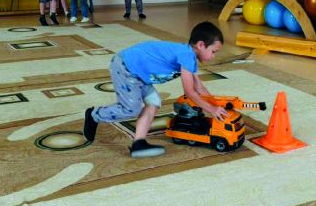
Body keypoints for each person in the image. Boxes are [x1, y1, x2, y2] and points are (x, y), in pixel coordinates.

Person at [82, 21, 227, 158]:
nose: (213, 56)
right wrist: (211, 109)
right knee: (131, 109)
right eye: (213, 51)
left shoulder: (189, 57)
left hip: (141, 73)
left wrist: (217, 106)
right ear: (201, 45)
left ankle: (138, 143)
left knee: (154, 102)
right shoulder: (186, 55)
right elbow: (190, 92)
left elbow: (199, 87)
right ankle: (94, 114)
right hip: (126, 67)